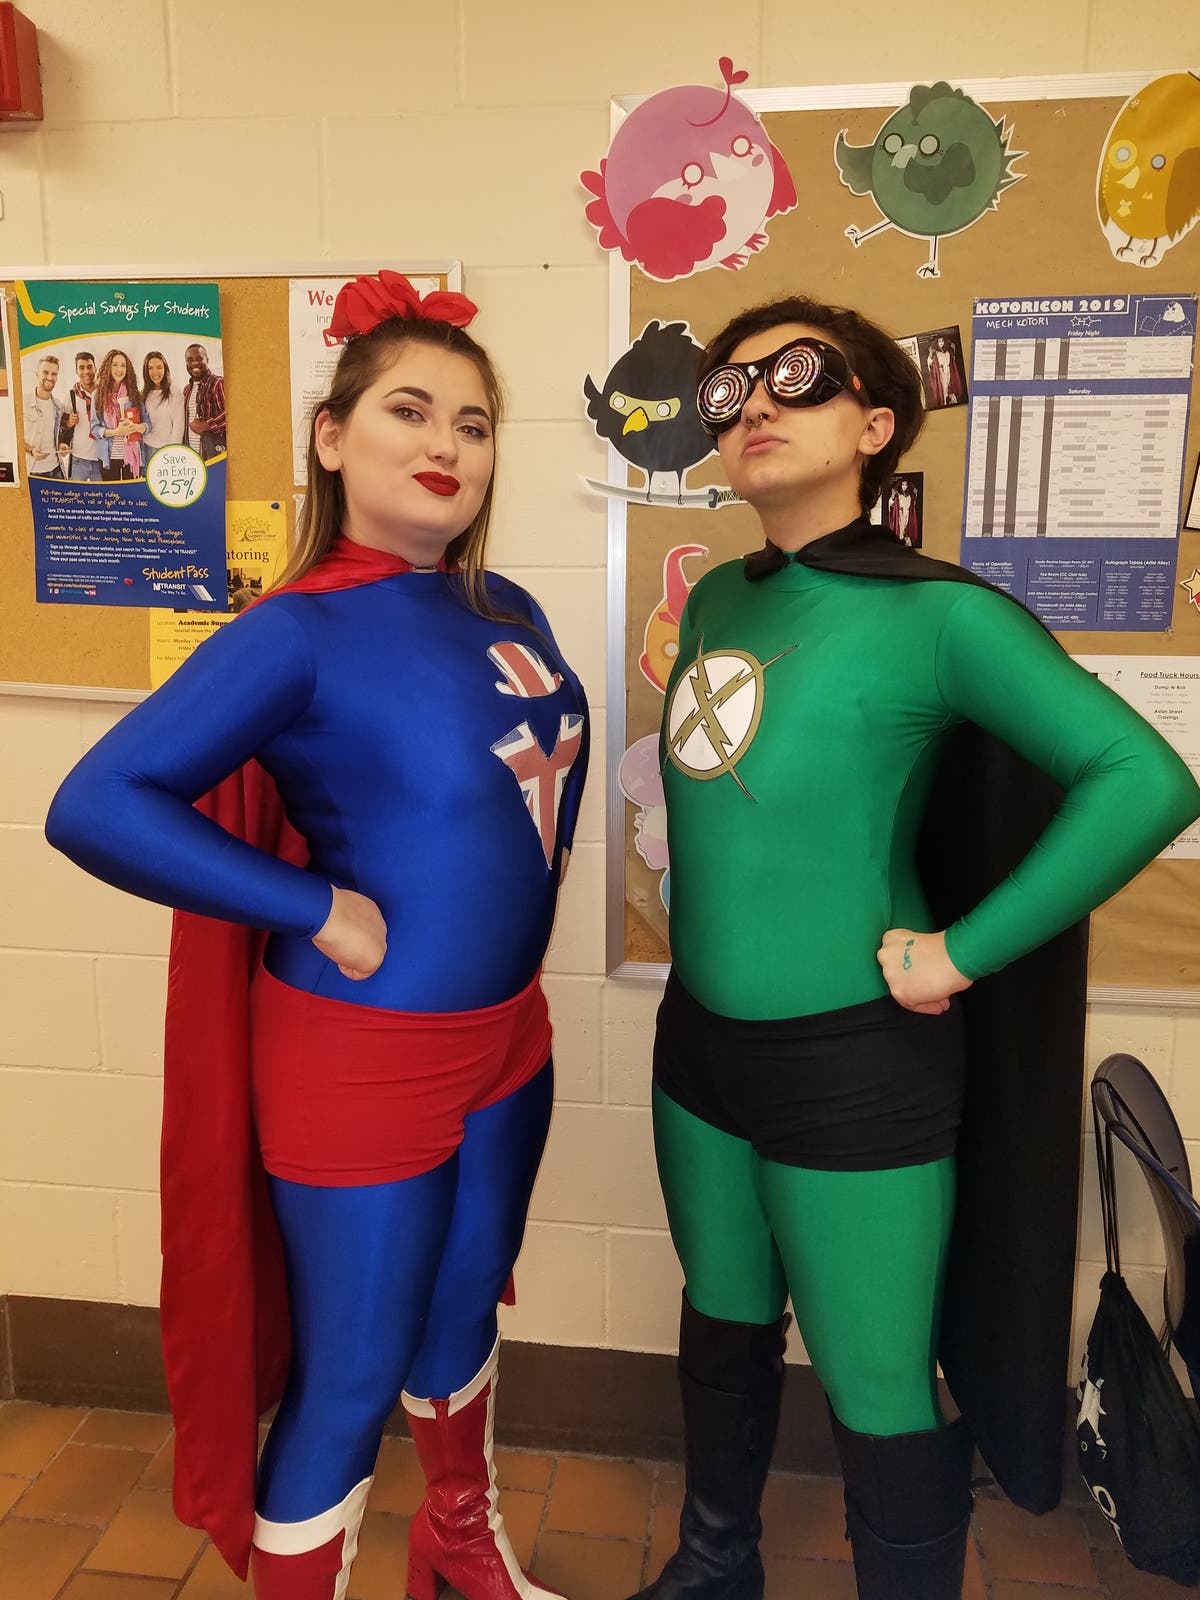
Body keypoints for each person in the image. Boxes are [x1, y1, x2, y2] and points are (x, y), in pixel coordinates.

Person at [636, 295, 1200, 1600]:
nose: (753, 404)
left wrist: (962, 951)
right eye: (728, 391)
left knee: (877, 1382)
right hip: (700, 1047)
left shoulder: (942, 618)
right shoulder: (717, 600)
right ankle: (714, 1565)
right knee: (721, 1318)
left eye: (796, 377)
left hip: (853, 1063)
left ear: (876, 424)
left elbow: (1145, 779)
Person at [46, 271, 588, 1600]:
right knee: (347, 1376)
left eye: (473, 423)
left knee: (465, 1303)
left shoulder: (507, 609)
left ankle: (458, 1546)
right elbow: (96, 803)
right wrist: (317, 908)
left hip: (507, 1040)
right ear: (333, 436)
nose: (447, 443)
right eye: (411, 410)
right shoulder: (294, 633)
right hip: (361, 1055)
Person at [89, 349, 148, 481]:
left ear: (128, 369)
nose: (119, 369)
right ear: (108, 367)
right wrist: (116, 432)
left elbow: (147, 424)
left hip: (132, 457)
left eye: (123, 365)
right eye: (115, 364)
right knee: (112, 492)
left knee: (130, 492)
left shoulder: (134, 394)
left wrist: (136, 427)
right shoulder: (98, 395)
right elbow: (94, 428)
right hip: (109, 457)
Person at [62, 351, 104, 481]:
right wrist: (69, 422)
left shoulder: (104, 393)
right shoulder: (71, 395)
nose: (86, 371)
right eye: (81, 367)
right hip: (78, 459)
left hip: (101, 459)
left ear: (95, 369)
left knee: (104, 494)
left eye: (89, 367)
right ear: (76, 371)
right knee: (75, 493)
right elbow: (63, 425)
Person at [23, 353, 65, 477]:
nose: (50, 377)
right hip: (33, 471)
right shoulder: (22, 402)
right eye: (45, 372)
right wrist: (31, 450)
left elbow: (57, 435)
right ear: (37, 373)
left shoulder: (58, 405)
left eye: (54, 374)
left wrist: (62, 445)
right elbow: (13, 437)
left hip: (56, 470)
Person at [183, 341, 227, 459]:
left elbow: (233, 414)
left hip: (212, 452)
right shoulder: (187, 390)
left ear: (207, 360)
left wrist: (206, 425)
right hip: (192, 454)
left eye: (199, 358)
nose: (194, 363)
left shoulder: (218, 383)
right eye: (190, 360)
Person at [141, 350, 186, 456]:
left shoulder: (175, 392)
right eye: (150, 368)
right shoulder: (144, 393)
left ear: (165, 369)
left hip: (166, 450)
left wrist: (171, 452)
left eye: (159, 367)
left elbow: (178, 427)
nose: (155, 372)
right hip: (146, 448)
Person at [926, 332, 963, 407]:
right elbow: (929, 362)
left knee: (950, 387)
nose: (941, 343)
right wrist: (930, 355)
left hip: (948, 371)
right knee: (943, 388)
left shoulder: (947, 351)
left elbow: (952, 359)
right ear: (936, 342)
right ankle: (944, 404)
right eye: (939, 341)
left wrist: (953, 348)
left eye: (942, 341)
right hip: (940, 372)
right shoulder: (934, 352)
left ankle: (953, 402)